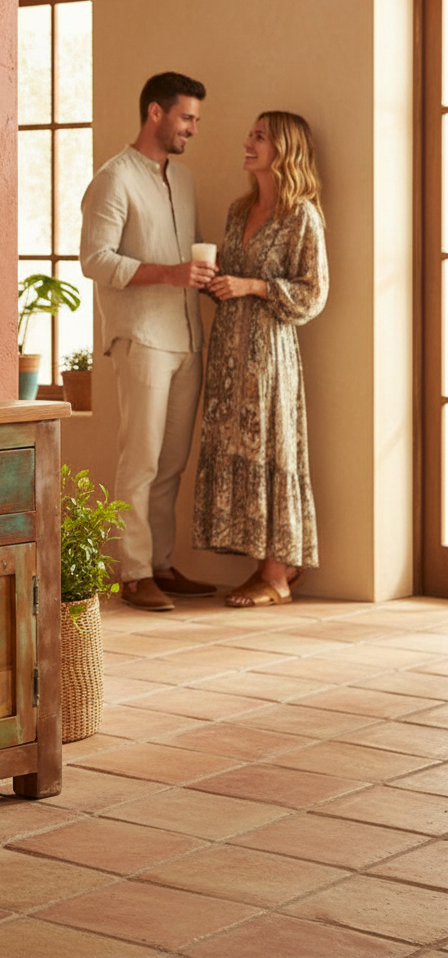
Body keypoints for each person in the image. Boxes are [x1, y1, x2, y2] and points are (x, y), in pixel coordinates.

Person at [80, 72, 217, 612]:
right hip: (141, 339)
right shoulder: (114, 179)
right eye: (187, 118)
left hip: (187, 338)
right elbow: (95, 259)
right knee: (140, 460)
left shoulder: (182, 180)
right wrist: (169, 273)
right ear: (155, 113)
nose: (193, 129)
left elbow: (187, 254)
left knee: (172, 462)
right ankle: (133, 573)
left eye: (196, 120)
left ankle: (159, 563)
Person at [192, 111, 329, 606]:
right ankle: (269, 567)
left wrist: (251, 285)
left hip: (270, 354)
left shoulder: (301, 216)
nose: (248, 142)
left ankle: (275, 576)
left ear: (284, 149)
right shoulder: (238, 210)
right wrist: (215, 282)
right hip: (227, 352)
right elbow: (233, 279)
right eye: (250, 133)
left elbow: (313, 293)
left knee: (272, 450)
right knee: (239, 450)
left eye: (260, 136)